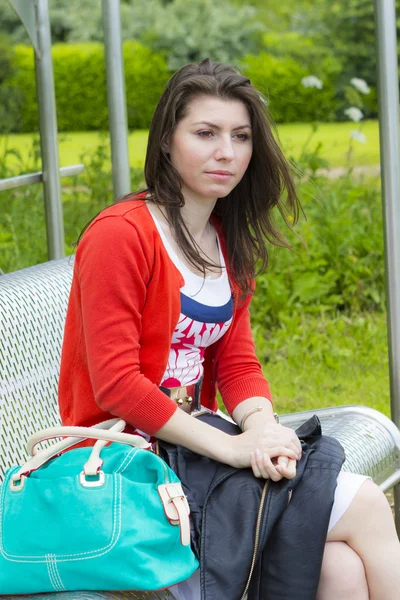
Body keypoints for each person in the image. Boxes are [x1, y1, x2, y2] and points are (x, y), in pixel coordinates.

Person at [58, 58, 400, 599]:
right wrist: (234, 450)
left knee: (340, 570)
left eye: (240, 136)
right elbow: (117, 386)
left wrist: (261, 428)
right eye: (205, 133)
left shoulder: (223, 240)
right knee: (366, 507)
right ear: (167, 142)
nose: (226, 151)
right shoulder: (122, 235)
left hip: (196, 448)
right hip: (128, 461)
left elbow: (238, 365)